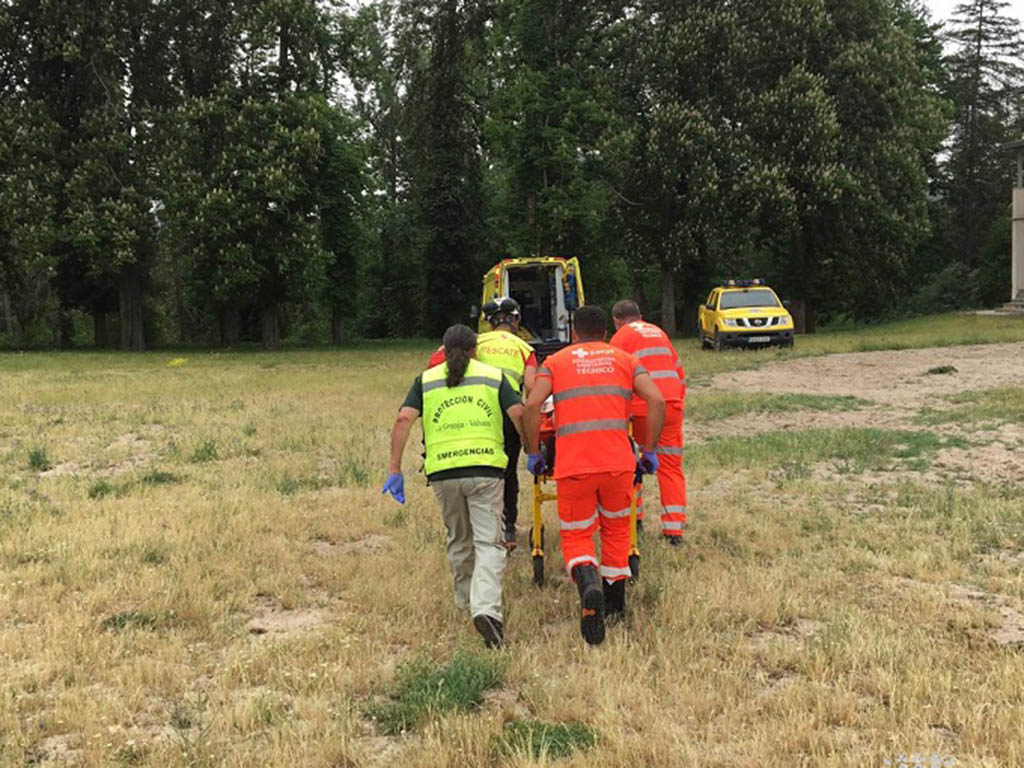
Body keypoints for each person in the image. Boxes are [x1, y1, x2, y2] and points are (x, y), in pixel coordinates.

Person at [522, 305, 665, 645]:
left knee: (577, 535)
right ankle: (615, 607)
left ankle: (589, 586)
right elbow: (657, 401)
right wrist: (650, 451)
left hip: (574, 467)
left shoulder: (555, 363)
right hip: (618, 465)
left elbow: (531, 406)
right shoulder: (624, 360)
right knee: (616, 531)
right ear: (605, 332)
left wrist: (532, 453)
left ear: (574, 332)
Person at [383, 324, 524, 648]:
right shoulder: (492, 376)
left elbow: (404, 419)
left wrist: (395, 468)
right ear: (476, 350)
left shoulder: (426, 380)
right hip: (486, 470)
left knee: (459, 538)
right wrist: (530, 446)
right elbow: (518, 412)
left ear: (443, 351)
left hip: (443, 472)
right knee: (489, 543)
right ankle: (486, 608)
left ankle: (465, 603)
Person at [426, 298, 537, 550]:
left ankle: (467, 530)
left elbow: (433, 366)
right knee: (506, 474)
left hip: (471, 412)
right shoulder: (524, 348)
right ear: (516, 321)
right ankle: (507, 530)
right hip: (507, 416)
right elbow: (531, 388)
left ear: (487, 323)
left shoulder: (472, 341)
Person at [609, 300, 687, 545]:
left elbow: (615, 376)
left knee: (630, 464)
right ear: (640, 316)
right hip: (671, 405)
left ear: (616, 320)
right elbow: (679, 372)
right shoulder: (659, 332)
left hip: (640, 409)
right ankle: (673, 531)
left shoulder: (621, 337)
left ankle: (636, 518)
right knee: (671, 467)